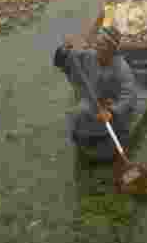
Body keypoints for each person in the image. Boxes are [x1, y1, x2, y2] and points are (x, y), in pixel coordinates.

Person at [53, 26, 137, 163]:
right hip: (93, 102)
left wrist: (112, 111)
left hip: (113, 110)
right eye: (97, 44)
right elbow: (63, 62)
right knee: (79, 113)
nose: (97, 48)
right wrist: (63, 51)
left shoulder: (122, 69)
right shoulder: (89, 56)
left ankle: (108, 144)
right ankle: (87, 138)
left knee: (113, 125)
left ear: (111, 49)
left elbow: (129, 96)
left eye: (101, 45)